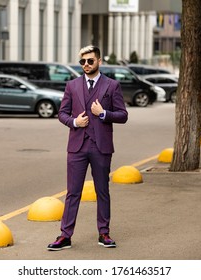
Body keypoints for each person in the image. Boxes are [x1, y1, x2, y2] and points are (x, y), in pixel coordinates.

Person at [47, 45, 128, 251]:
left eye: (90, 61)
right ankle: (65, 236)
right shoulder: (72, 85)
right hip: (77, 146)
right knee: (73, 192)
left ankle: (104, 232)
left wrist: (103, 113)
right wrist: (75, 122)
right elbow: (62, 114)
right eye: (82, 61)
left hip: (101, 147)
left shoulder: (112, 85)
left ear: (99, 61)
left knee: (102, 191)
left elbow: (123, 115)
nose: (85, 65)